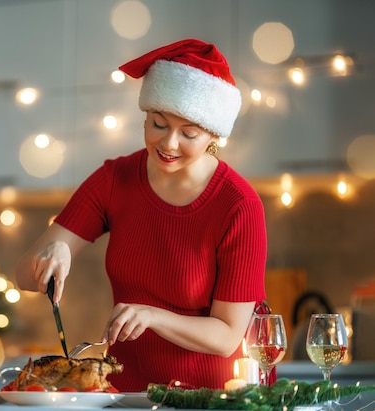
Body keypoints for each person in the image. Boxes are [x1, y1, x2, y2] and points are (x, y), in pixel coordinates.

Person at [15, 38, 268, 391]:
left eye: (189, 133)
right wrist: (51, 253)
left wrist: (152, 316)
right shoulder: (114, 180)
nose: (168, 144)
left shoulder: (239, 204)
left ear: (213, 134)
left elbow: (227, 335)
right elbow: (23, 278)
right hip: (128, 394)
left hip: (211, 397)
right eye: (158, 124)